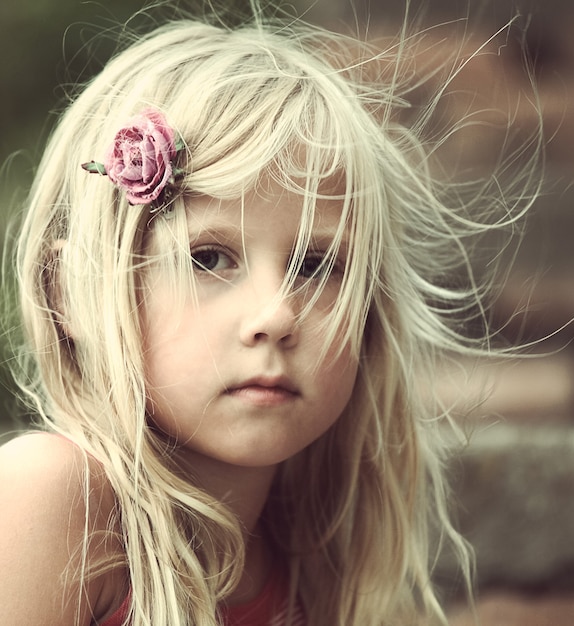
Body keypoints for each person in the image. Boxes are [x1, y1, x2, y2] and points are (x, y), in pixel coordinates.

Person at [0, 4, 540, 625]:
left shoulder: (316, 569)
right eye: (208, 257)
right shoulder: (53, 497)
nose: (277, 314)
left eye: (315, 265)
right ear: (70, 293)